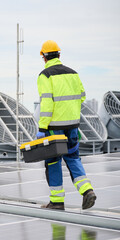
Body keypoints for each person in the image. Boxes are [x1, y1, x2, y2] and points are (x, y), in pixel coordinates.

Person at [36, 40, 96, 210]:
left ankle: (56, 201)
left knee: (54, 162)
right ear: (59, 55)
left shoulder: (45, 75)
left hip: (54, 128)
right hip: (73, 126)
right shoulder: (73, 74)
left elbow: (46, 104)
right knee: (73, 158)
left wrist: (42, 128)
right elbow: (82, 96)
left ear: (43, 57)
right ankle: (87, 191)